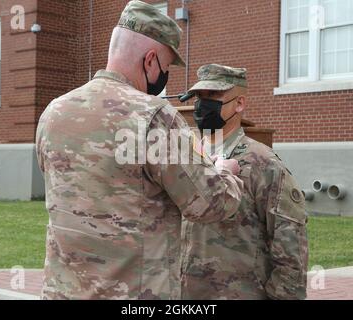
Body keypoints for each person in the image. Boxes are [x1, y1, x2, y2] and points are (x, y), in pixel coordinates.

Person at [35, 2, 243, 300]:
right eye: (166, 66)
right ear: (150, 61)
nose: (164, 76)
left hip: (63, 292)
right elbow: (209, 205)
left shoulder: (54, 111)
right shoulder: (154, 116)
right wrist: (225, 172)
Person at [181, 64, 308, 300]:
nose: (202, 104)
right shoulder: (185, 157)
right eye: (199, 97)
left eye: (214, 96)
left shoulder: (263, 163)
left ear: (239, 103)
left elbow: (290, 250)